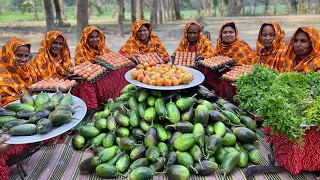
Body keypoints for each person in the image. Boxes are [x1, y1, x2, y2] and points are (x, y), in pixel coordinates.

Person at [0, 38, 37, 105]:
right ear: (10, 54)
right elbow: (4, 98)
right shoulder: (2, 71)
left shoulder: (29, 69)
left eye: (26, 56)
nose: (23, 59)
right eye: (19, 55)